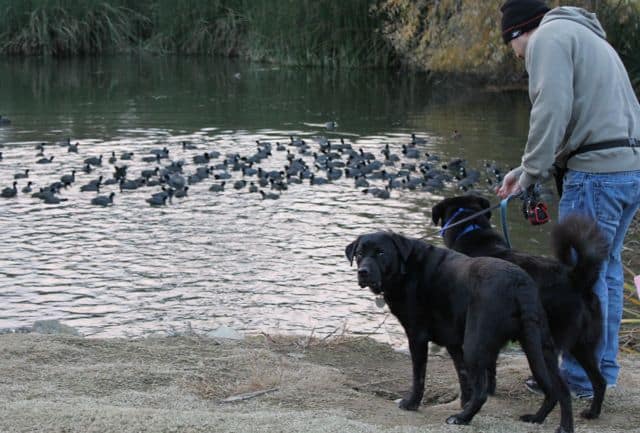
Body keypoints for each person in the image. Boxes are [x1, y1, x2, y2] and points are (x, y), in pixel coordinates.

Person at [496, 0, 640, 398]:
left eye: (516, 50)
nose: (520, 58)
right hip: (629, 170)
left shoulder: (549, 38)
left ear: (519, 31)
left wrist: (532, 173)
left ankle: (576, 379)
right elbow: (587, 117)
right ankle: (601, 373)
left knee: (578, 278)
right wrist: (524, 171)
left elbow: (551, 108)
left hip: (596, 176)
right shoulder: (588, 37)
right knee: (603, 273)